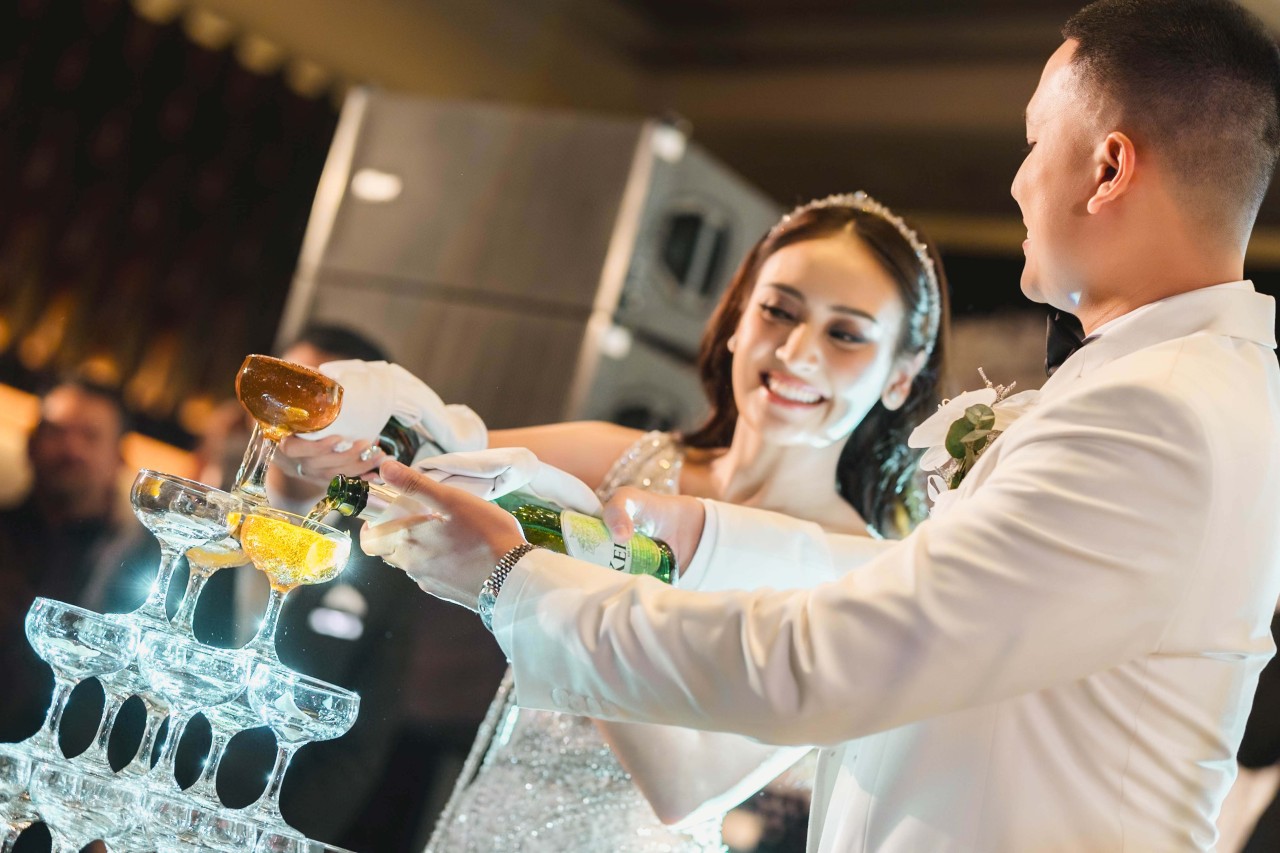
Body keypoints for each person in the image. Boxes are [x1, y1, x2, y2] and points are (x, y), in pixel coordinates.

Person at [361, 1, 1280, 849]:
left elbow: (836, 657)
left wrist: (513, 583)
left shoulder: (1153, 414)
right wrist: (709, 535)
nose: (1016, 179)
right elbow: (942, 595)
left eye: (1035, 140)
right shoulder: (1187, 394)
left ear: (1109, 168)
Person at [285, 191, 948, 850]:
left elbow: (686, 786)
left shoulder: (859, 574)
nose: (797, 352)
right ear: (740, 316)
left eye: (845, 334)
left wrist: (534, 581)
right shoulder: (625, 458)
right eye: (779, 311)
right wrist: (343, 435)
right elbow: (429, 462)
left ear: (901, 374)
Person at [0, 378, 154, 746]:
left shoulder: (145, 564)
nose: (71, 449)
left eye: (90, 436)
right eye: (56, 432)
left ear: (119, 457)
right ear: (31, 444)